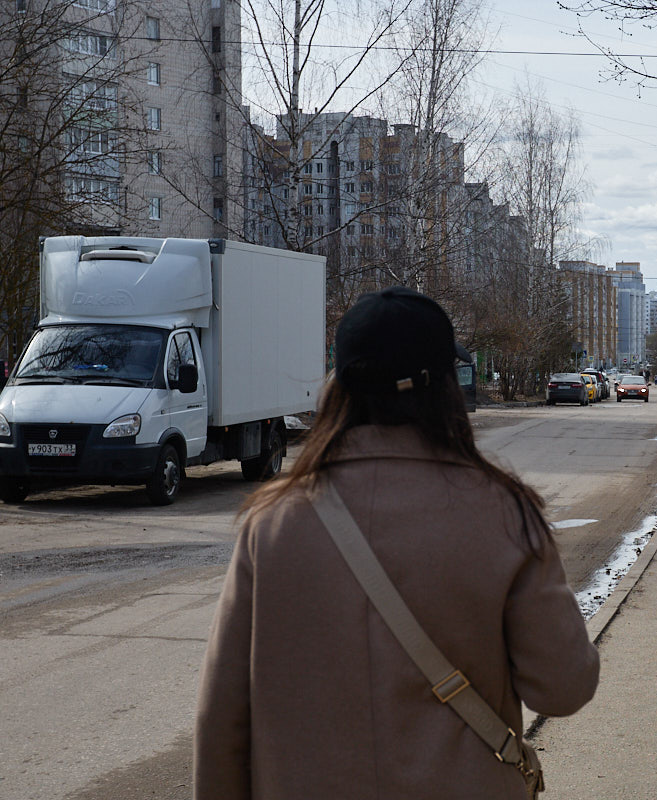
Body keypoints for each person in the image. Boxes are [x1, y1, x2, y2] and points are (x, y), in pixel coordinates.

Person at [194, 287, 599, 800]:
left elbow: (222, 718)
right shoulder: (503, 513)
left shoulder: (272, 521)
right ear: (446, 387)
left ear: (338, 387)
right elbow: (563, 688)